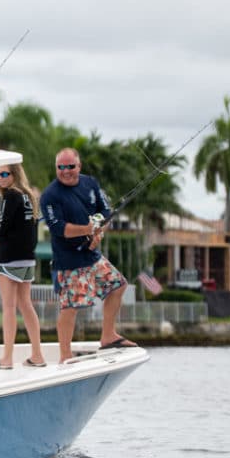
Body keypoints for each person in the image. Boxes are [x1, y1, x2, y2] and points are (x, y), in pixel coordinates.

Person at [40, 148, 136, 363]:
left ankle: (108, 336)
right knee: (71, 306)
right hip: (68, 262)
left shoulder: (90, 183)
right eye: (60, 167)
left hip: (92, 256)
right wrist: (88, 229)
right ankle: (65, 355)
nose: (65, 171)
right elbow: (59, 229)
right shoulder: (50, 195)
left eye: (70, 166)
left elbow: (106, 211)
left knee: (119, 285)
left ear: (79, 166)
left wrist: (99, 232)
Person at [0, 163, 45, 369]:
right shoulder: (29, 196)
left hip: (9, 259)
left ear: (15, 174)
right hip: (27, 258)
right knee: (26, 305)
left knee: (9, 308)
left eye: (4, 174)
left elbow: (4, 224)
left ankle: (7, 358)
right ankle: (37, 355)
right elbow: (24, 228)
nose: (0, 178)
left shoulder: (11, 195)